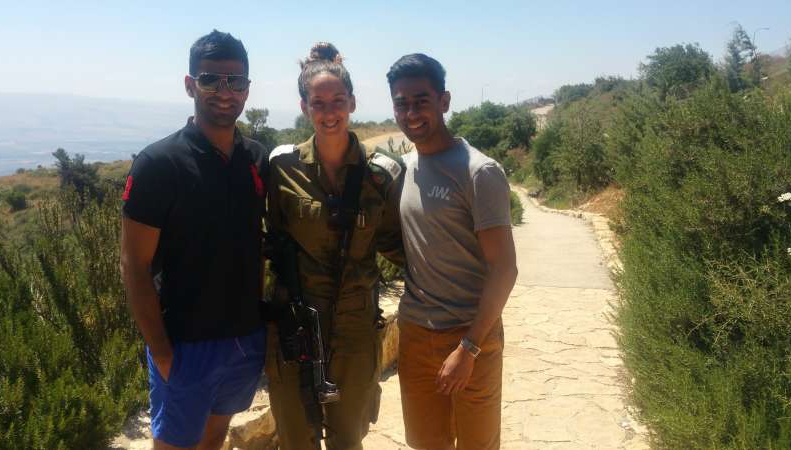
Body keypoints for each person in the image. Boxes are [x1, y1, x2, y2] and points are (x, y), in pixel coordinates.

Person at [120, 30, 268, 450]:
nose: (225, 91)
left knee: (215, 438)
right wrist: (163, 353)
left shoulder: (255, 158)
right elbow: (134, 266)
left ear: (247, 89)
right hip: (185, 343)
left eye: (235, 81)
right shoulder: (157, 164)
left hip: (243, 339)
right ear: (190, 85)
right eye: (210, 80)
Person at [264, 42, 405, 450]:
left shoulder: (381, 174)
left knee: (348, 438)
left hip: (355, 330)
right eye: (318, 102)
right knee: (296, 438)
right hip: (294, 326)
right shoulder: (282, 167)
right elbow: (268, 241)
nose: (329, 112)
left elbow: (399, 245)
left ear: (353, 102)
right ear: (305, 106)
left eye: (338, 100)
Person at [386, 53, 518, 450]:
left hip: (469, 337)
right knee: (427, 444)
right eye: (401, 103)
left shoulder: (479, 172)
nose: (411, 112)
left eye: (421, 100)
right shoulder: (404, 168)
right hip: (414, 334)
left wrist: (470, 347)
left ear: (444, 101)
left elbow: (504, 269)